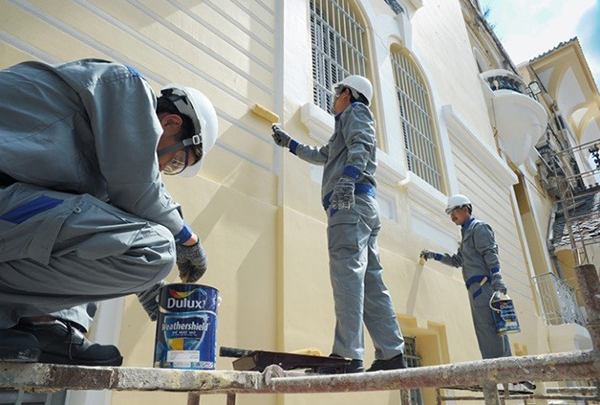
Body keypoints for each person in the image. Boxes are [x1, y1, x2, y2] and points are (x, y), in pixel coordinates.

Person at [0, 59, 218, 366]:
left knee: (103, 235)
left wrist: (147, 285)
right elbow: (139, 187)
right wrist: (186, 238)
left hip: (11, 208)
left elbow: (104, 224)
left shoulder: (97, 165)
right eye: (174, 162)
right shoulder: (126, 85)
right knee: (156, 248)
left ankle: (43, 326)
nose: (161, 169)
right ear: (170, 123)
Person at [271, 75, 406, 373]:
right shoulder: (342, 128)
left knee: (347, 277)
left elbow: (362, 144)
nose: (333, 100)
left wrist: (347, 179)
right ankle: (391, 355)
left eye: (336, 94)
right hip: (362, 206)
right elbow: (322, 155)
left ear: (347, 93)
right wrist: (290, 143)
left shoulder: (356, 112)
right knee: (371, 282)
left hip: (349, 205)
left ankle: (347, 356)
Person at [420, 195, 535, 391]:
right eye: (450, 213)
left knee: (490, 329)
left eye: (454, 212)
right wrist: (434, 255)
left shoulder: (478, 228)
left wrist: (497, 277)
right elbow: (457, 261)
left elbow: (490, 253)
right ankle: (509, 372)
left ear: (465, 209)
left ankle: (503, 372)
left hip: (484, 286)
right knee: (488, 330)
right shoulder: (466, 234)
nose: (452, 217)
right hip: (475, 289)